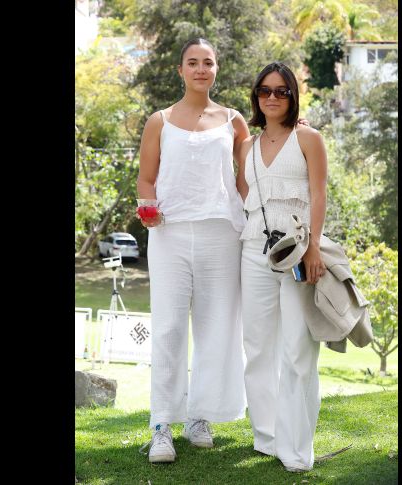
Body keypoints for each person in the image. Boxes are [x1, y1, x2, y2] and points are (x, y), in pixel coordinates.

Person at [135, 38, 251, 464]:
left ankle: (199, 416)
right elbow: (147, 181)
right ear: (180, 70)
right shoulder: (159, 121)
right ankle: (161, 425)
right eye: (193, 63)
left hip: (223, 232)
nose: (201, 69)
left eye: (208, 62)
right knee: (167, 328)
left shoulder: (234, 121)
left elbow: (247, 178)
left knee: (216, 327)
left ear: (216, 69)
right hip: (169, 233)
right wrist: (147, 209)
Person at [236, 62, 328, 472]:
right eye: (264, 90)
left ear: (293, 95)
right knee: (257, 348)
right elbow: (246, 195)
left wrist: (314, 248)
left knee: (297, 350)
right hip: (254, 250)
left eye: (281, 91)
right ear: (256, 95)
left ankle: (296, 449)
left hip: (297, 252)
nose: (272, 97)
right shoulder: (246, 146)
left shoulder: (309, 138)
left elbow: (319, 194)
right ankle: (267, 436)